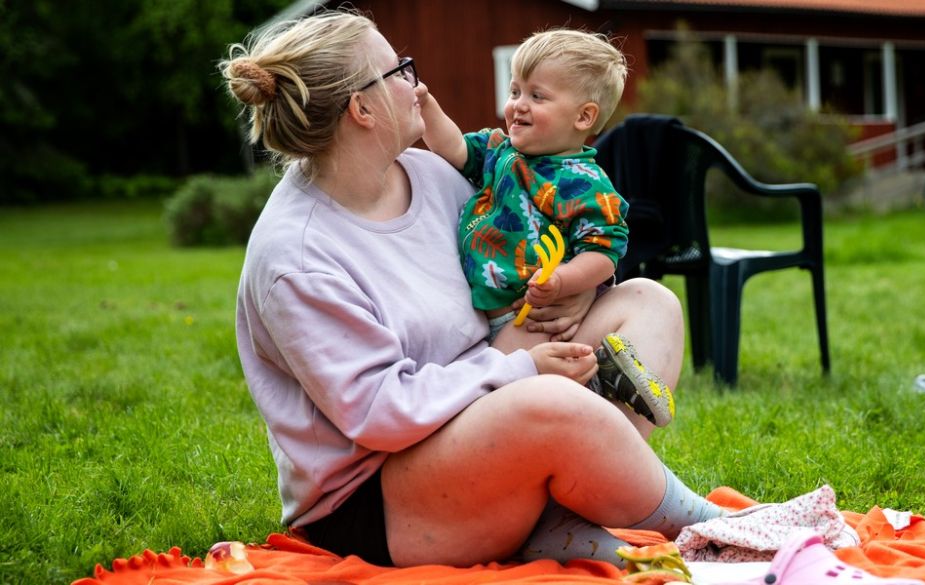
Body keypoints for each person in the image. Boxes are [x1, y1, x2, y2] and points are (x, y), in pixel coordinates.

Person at [220, 9, 724, 570]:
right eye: (399, 71)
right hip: (381, 500)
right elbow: (382, 413)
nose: (418, 83)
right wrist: (523, 369)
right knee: (548, 402)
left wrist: (576, 288)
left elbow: (519, 250)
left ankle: (559, 518)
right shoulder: (297, 257)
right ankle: (710, 527)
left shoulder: (428, 175)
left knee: (649, 303)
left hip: (479, 400)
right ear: (362, 108)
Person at [421, 29, 674, 427]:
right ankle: (598, 381)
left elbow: (603, 253)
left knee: (501, 400)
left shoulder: (583, 183)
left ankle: (602, 390)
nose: (518, 105)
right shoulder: (498, 151)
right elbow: (452, 147)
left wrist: (563, 281)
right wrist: (426, 107)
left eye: (537, 96)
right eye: (515, 91)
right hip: (503, 316)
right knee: (510, 396)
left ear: (583, 117)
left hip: (531, 318)